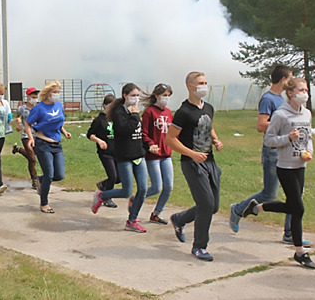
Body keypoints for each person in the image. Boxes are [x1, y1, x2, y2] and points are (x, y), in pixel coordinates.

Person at [228, 66, 310, 246]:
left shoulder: (283, 99)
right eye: (290, 78)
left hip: (291, 151)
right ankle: (238, 209)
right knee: (270, 193)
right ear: (283, 80)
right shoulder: (268, 99)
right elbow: (261, 125)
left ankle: (290, 233)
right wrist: (283, 124)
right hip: (273, 152)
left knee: (296, 196)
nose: (292, 80)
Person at [242, 78, 315, 269]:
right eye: (301, 89)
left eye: (306, 89)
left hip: (301, 166)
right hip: (285, 167)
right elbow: (269, 139)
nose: (305, 93)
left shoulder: (306, 114)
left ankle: (257, 208)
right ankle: (300, 252)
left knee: (292, 206)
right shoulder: (281, 115)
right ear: (290, 93)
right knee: (298, 208)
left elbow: (308, 138)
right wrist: (287, 138)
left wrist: (309, 152)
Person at [166, 72, 223, 261]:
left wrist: (215, 139)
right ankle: (199, 247)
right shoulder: (184, 112)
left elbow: (209, 126)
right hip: (192, 163)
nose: (204, 86)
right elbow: (170, 139)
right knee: (206, 204)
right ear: (190, 86)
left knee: (213, 206)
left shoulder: (208, 107)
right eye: (200, 83)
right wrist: (191, 153)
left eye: (206, 82)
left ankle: (180, 219)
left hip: (209, 161)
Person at [91, 83, 148, 233]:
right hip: (124, 156)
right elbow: (125, 130)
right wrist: (135, 115)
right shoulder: (118, 112)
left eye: (137, 96)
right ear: (125, 95)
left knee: (142, 189)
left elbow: (138, 133)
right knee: (126, 191)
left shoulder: (134, 111)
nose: (136, 99)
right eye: (133, 95)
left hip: (139, 155)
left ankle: (132, 221)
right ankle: (102, 195)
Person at [25, 80, 71, 213]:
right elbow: (28, 123)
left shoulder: (58, 106)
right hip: (43, 143)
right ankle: (44, 203)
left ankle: (40, 180)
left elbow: (58, 121)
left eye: (58, 92)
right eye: (54, 92)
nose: (56, 94)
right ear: (47, 93)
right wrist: (31, 138)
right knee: (49, 174)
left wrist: (64, 131)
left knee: (59, 175)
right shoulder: (39, 108)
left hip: (57, 144)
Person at [141, 83, 174, 225]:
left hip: (166, 154)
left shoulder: (168, 113)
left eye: (168, 96)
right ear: (156, 96)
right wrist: (150, 144)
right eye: (163, 95)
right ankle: (137, 197)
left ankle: (156, 213)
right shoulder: (149, 112)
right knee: (156, 187)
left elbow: (172, 132)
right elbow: (143, 133)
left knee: (169, 187)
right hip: (153, 155)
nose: (166, 98)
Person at [86, 94, 119, 208]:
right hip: (105, 153)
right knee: (113, 176)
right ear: (105, 106)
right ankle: (106, 197)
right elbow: (90, 134)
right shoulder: (99, 120)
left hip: (117, 152)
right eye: (110, 106)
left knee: (119, 177)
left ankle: (102, 184)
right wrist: (99, 141)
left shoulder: (117, 119)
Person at [13, 87, 40, 189]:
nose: (35, 98)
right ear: (28, 97)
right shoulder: (22, 108)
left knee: (32, 156)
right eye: (33, 96)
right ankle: (34, 179)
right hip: (26, 135)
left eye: (36, 97)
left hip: (37, 135)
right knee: (32, 159)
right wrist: (18, 124)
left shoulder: (39, 107)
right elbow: (18, 116)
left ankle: (18, 149)